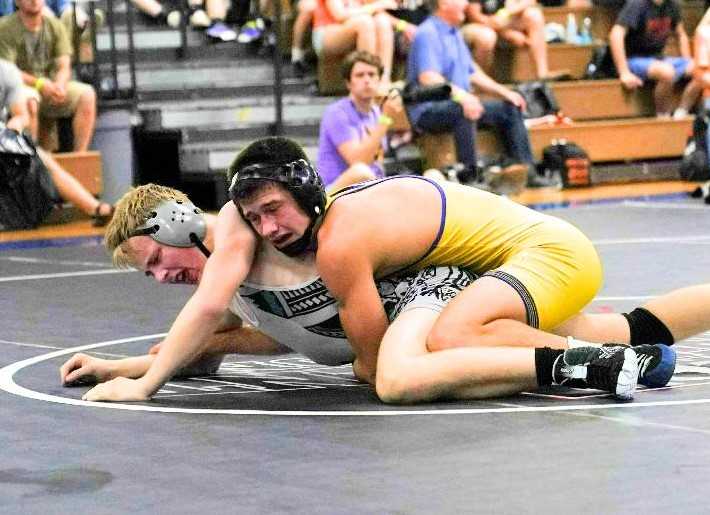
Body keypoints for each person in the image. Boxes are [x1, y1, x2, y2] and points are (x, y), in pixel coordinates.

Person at [77, 139, 684, 404]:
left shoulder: (237, 234)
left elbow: (210, 313)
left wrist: (144, 384)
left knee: (395, 376)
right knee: (621, 329)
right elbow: (230, 341)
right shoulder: (243, 271)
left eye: (157, 260)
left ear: (180, 223)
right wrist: (128, 364)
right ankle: (604, 357)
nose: (160, 278)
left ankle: (581, 364)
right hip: (454, 278)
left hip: (445, 280)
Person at [406, 0, 550, 189]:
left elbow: (472, 72)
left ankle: (527, 171)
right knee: (463, 108)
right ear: (443, 3)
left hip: (456, 104)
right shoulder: (427, 32)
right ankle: (471, 177)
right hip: (427, 110)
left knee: (510, 107)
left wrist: (504, 92)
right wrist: (462, 96)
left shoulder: (454, 32)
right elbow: (428, 77)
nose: (466, 4)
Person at [1, 58, 113, 225]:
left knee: (44, 161)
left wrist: (11, 132)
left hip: (3, 140)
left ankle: (96, 208)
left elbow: (21, 115)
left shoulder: (7, 71)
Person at [0, 0, 97, 152]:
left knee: (87, 94)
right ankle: (31, 161)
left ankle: (79, 158)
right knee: (29, 100)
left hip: (51, 87)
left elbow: (64, 64)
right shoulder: (5, 27)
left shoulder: (55, 26)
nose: (34, 1)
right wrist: (39, 84)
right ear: (16, 2)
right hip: (20, 88)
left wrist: (60, 85)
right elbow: (8, 71)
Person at [317, 50, 404, 191]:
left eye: (372, 74)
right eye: (359, 75)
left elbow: (377, 160)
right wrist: (386, 119)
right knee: (361, 172)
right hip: (335, 192)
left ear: (379, 80)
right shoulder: (337, 113)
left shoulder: (377, 112)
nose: (367, 80)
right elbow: (359, 162)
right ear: (348, 83)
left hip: (366, 190)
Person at [609, 0, 702, 118]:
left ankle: (682, 112)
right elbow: (616, 34)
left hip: (658, 58)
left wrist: (687, 61)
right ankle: (663, 116)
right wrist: (624, 72)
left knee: (700, 70)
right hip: (634, 59)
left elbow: (681, 34)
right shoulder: (637, 5)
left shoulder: (672, 5)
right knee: (667, 72)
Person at [311, 0, 416, 86]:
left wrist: (404, 26)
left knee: (382, 21)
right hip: (327, 32)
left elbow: (378, 11)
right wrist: (377, 5)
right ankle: (368, 77)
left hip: (356, 27)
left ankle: (384, 80)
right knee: (364, 22)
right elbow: (340, 15)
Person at [462, 0, 563, 80]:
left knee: (534, 15)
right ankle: (481, 81)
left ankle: (542, 73)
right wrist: (508, 33)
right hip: (478, 25)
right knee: (487, 36)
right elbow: (474, 16)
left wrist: (508, 12)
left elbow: (529, 1)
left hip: (502, 21)